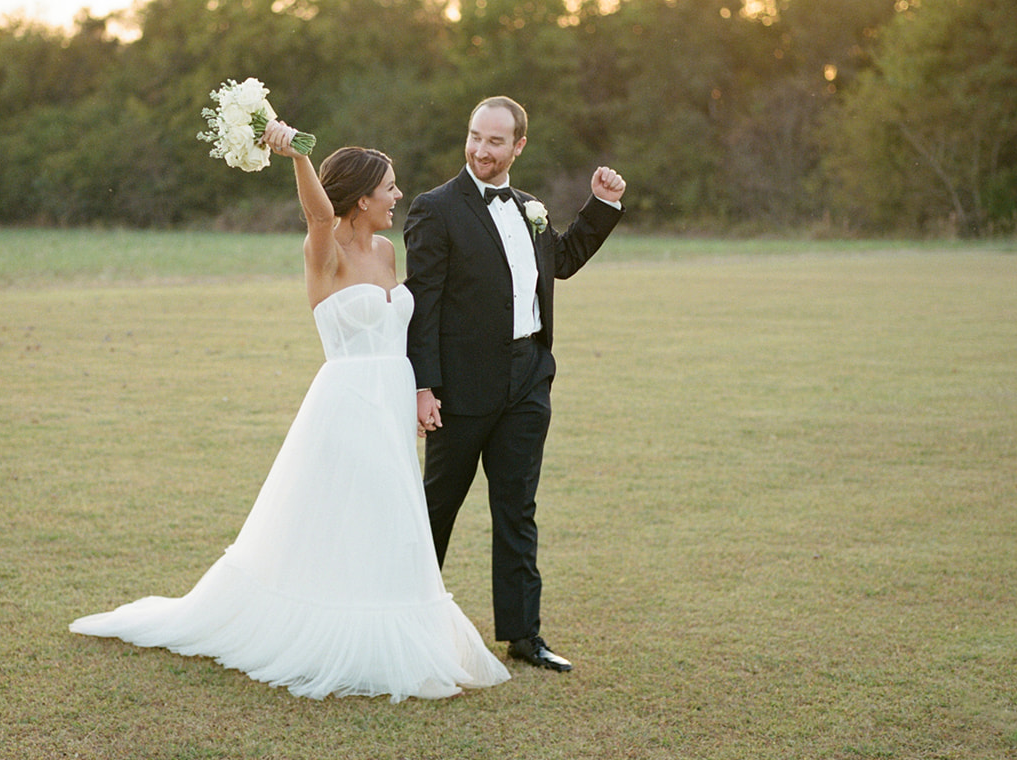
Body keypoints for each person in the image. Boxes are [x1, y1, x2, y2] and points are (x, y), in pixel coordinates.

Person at [70, 119, 510, 701]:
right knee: (355, 517)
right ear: (362, 198)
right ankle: (338, 636)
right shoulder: (321, 250)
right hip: (348, 405)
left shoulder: (386, 249)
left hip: (391, 402)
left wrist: (423, 393)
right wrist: (299, 153)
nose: (398, 196)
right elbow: (319, 217)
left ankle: (388, 631)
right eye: (390, 188)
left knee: (390, 524)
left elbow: (400, 328)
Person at [405, 95, 625, 673]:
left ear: (518, 146)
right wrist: (423, 387)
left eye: (495, 141)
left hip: (528, 379)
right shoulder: (436, 209)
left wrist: (601, 204)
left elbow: (563, 260)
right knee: (436, 508)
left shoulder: (531, 207)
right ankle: (403, 621)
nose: (481, 148)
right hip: (459, 389)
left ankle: (524, 635)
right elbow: (422, 306)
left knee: (517, 509)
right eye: (476, 136)